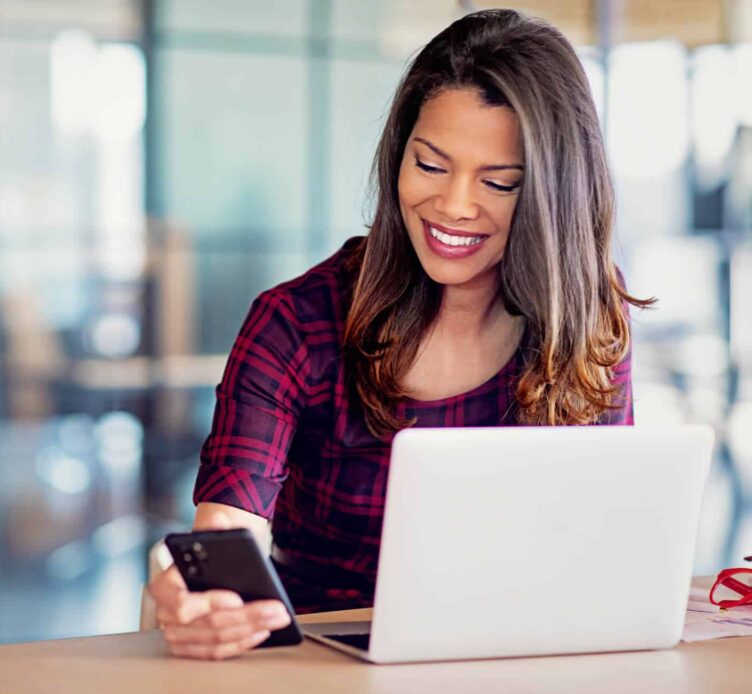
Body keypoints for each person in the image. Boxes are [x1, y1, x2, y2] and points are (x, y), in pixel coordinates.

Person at [148, 8, 651, 660]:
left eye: (498, 182)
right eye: (431, 164)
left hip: (515, 658)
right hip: (317, 663)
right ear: (398, 155)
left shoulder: (586, 312)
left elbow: (602, 541)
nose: (454, 206)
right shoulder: (295, 325)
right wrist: (202, 600)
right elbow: (228, 531)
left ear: (556, 196)